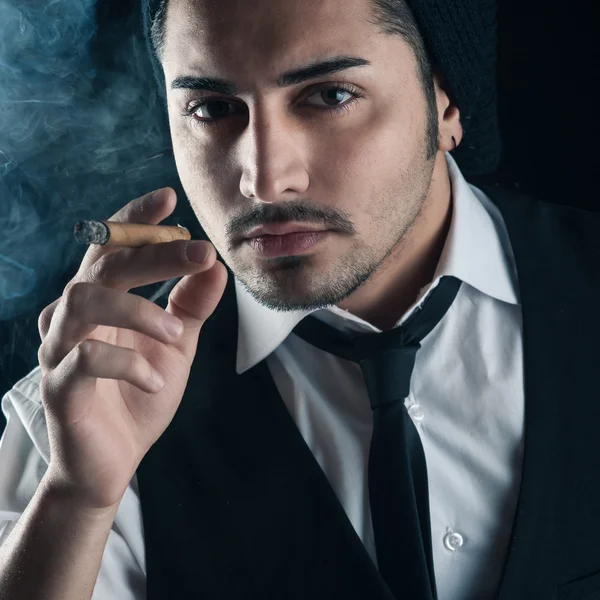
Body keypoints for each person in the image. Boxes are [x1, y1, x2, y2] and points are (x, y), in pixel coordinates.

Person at [1, 0, 599, 598]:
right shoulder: (81, 411)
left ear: (444, 101)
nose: (265, 179)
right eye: (213, 108)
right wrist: (77, 500)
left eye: (329, 96)